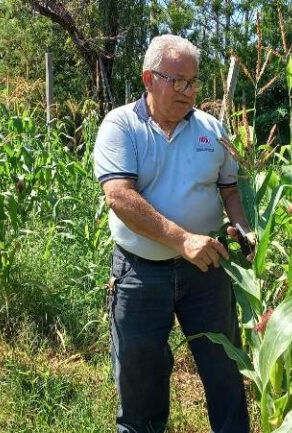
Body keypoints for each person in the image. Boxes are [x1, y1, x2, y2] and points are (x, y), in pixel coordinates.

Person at [93, 34, 254, 433]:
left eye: (193, 82)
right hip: (140, 273)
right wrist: (183, 240)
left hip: (207, 269)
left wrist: (243, 226)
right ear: (149, 79)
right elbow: (119, 197)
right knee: (140, 378)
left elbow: (231, 189)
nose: (188, 91)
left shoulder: (212, 129)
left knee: (225, 371)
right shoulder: (121, 126)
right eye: (177, 81)